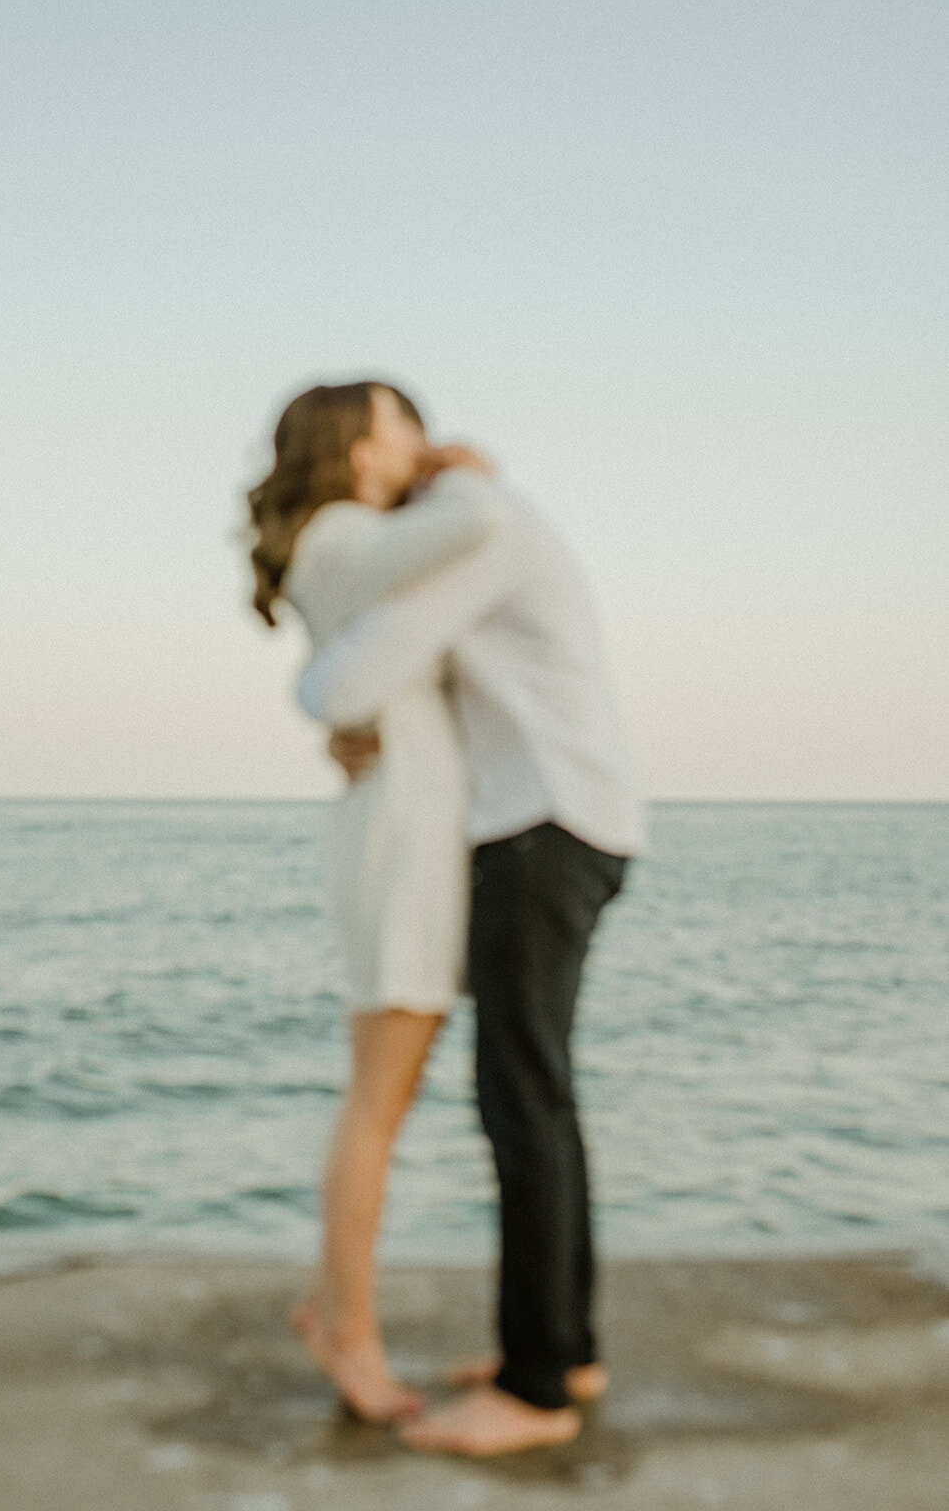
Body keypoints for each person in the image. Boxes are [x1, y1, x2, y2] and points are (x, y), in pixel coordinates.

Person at [297, 426, 646, 1456]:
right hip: (571, 821)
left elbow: (349, 679)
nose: (395, 448)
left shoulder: (473, 531)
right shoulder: (486, 525)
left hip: (537, 829)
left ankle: (536, 1390)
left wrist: (320, 701)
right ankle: (562, 1349)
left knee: (521, 1101)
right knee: (541, 1094)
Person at [245, 380, 504, 1423]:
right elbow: (483, 520)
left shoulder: (344, 541)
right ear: (358, 449)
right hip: (399, 836)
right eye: (405, 424)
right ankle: (343, 1325)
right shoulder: (344, 534)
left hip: (403, 823)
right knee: (378, 1105)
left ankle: (339, 1310)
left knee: (381, 1099)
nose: (423, 439)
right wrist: (464, 469)